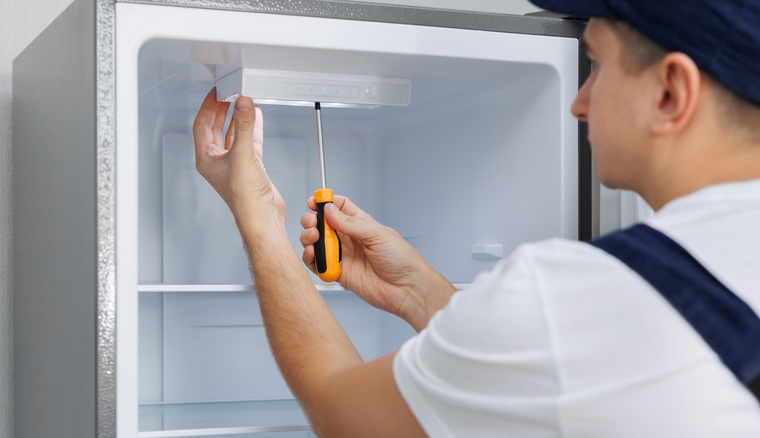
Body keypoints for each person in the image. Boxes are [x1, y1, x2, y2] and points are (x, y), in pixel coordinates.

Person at [192, 0, 760, 435]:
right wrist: (418, 292)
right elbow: (551, 364)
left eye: (597, 65)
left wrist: (258, 215)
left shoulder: (588, 297)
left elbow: (341, 411)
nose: (579, 102)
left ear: (670, 92)